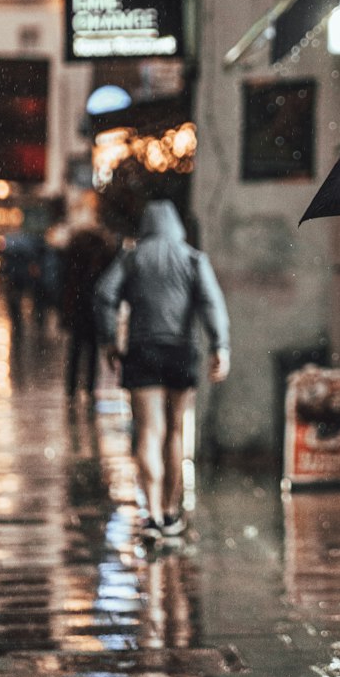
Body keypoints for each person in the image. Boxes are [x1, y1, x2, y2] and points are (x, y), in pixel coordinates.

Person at [95, 200, 230, 541]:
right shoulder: (192, 258)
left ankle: (152, 514)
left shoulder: (132, 258)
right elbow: (212, 302)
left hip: (142, 353)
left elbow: (104, 294)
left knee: (149, 432)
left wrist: (110, 339)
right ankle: (170, 513)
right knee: (175, 432)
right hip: (180, 354)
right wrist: (220, 347)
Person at [60, 224, 115, 400]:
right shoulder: (100, 259)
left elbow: (66, 285)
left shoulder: (74, 260)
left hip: (80, 311)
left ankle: (72, 388)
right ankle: (88, 388)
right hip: (90, 311)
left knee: (76, 350)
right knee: (90, 351)